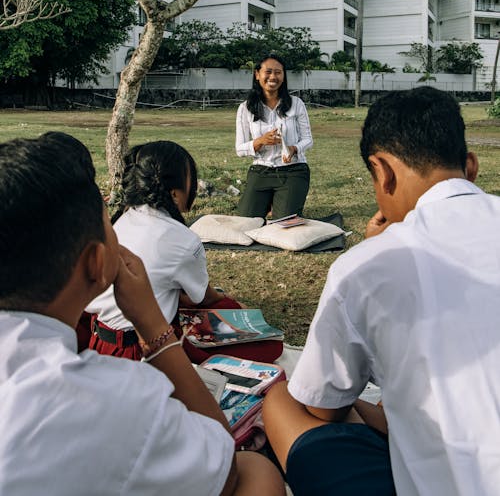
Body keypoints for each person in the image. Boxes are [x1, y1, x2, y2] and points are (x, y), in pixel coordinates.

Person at [0, 131, 285, 496]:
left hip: (104, 338)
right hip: (143, 348)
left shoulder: (128, 222)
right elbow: (224, 466)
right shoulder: (121, 396)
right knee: (257, 473)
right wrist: (154, 325)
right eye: (106, 222)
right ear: (98, 262)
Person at [263, 87, 500, 496]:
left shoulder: (367, 267)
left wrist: (372, 253)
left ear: (383, 171)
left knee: (282, 400)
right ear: (471, 166)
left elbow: (323, 407)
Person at [87, 140, 283, 363]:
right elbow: (202, 298)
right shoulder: (182, 239)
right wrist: (233, 303)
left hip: (100, 341)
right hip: (144, 350)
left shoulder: (123, 217)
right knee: (268, 345)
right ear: (175, 192)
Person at [236, 54, 313, 220]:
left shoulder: (296, 104)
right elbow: (239, 149)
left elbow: (308, 140)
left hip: (293, 170)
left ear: (283, 76)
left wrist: (294, 149)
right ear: (257, 74)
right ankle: (270, 200)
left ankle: (281, 201)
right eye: (268, 72)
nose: (273, 77)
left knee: (283, 222)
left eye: (278, 72)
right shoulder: (245, 108)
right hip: (261, 170)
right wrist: (260, 141)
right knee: (246, 222)